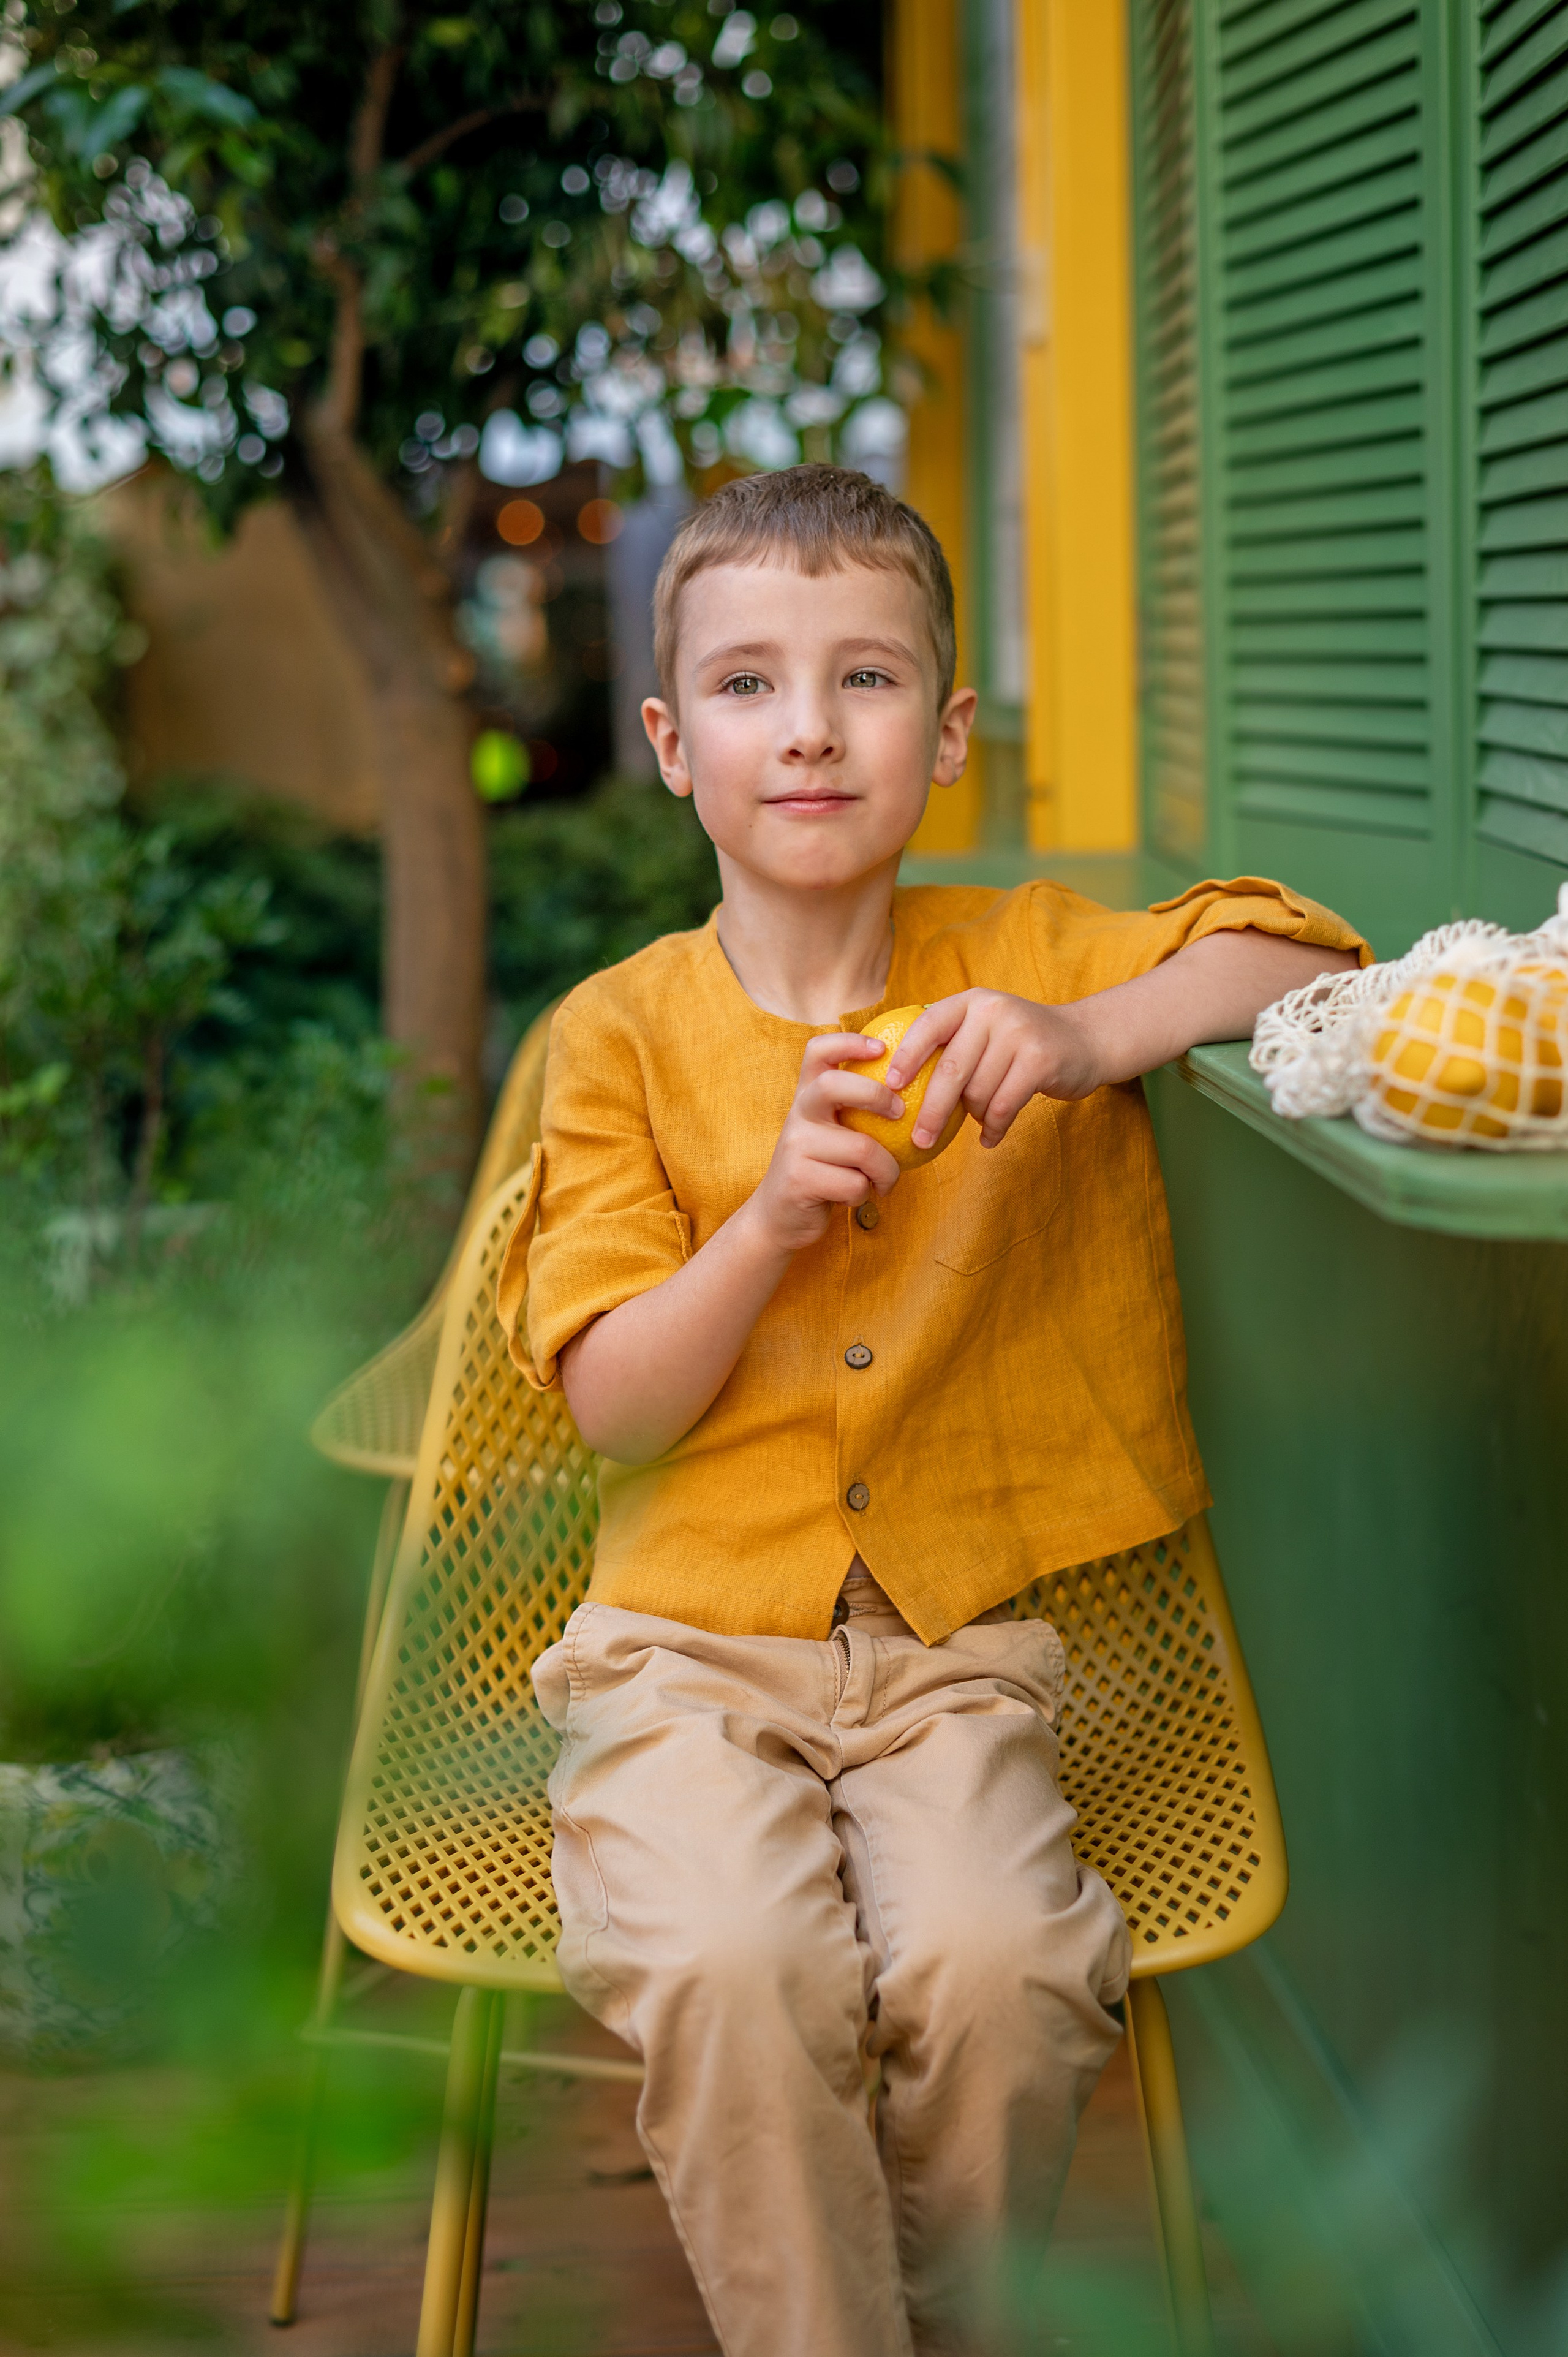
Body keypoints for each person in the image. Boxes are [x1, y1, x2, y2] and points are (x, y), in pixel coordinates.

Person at [497, 465, 1367, 2357]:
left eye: (867, 677)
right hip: (683, 1656)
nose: (808, 726)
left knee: (1005, 1970)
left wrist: (1089, 1037)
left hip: (965, 1662)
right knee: (737, 1962)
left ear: (949, 732)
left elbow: (1316, 962)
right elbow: (616, 1410)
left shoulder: (1025, 955)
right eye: (747, 685)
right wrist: (762, 1228)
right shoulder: (619, 1037)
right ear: (671, 744)